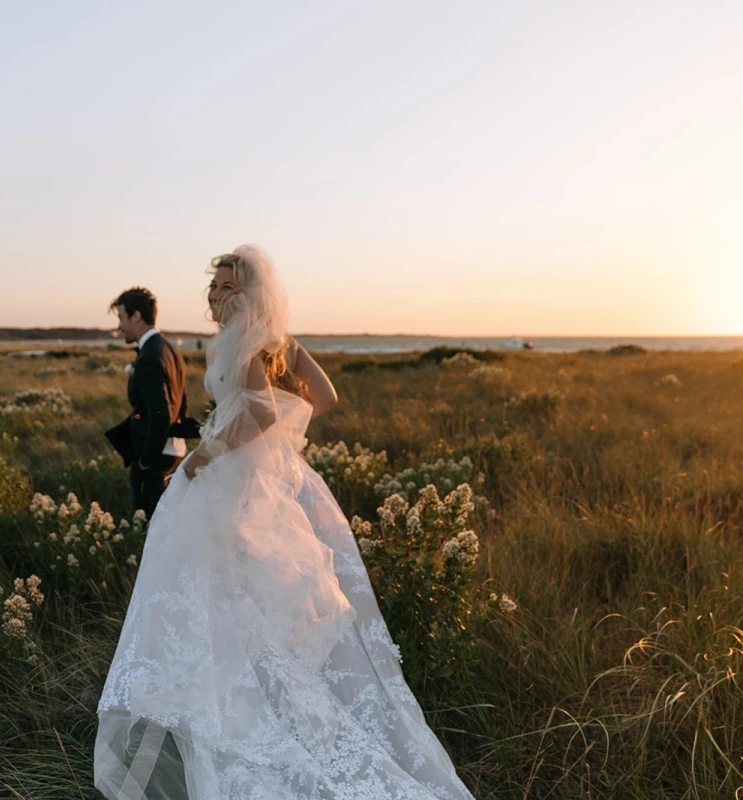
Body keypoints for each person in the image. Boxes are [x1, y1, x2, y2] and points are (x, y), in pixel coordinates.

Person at [95, 246, 475, 799]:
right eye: (213, 285)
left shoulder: (243, 339)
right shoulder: (278, 341)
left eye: (225, 286)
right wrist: (280, 448)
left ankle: (241, 715)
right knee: (246, 605)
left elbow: (264, 413)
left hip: (230, 484)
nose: (214, 294)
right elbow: (321, 396)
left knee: (223, 600)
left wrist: (209, 455)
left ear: (248, 294)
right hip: (265, 481)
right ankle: (257, 702)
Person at [105, 287, 198, 517]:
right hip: (174, 450)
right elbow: (181, 400)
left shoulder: (149, 357)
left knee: (150, 524)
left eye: (121, 318)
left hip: (157, 457)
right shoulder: (169, 349)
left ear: (136, 316)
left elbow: (161, 414)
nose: (119, 326)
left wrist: (146, 461)